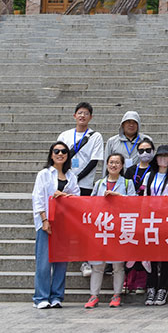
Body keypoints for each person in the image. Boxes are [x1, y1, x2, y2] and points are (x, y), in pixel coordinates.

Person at [58, 102, 103, 278]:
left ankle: (85, 260)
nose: (82, 116)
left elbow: (94, 161)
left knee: (85, 224)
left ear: (90, 117)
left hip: (85, 185)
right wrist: (67, 178)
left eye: (86, 113)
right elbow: (59, 157)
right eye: (79, 113)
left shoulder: (95, 136)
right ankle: (63, 255)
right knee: (65, 222)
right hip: (65, 184)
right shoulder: (65, 135)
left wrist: (77, 178)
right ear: (74, 115)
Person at [86, 153, 135, 309]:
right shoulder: (99, 183)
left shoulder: (127, 183)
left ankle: (116, 295)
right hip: (101, 228)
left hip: (119, 228)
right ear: (107, 164)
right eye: (111, 162)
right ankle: (94, 296)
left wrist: (118, 196)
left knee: (117, 265)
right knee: (97, 265)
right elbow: (90, 204)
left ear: (122, 166)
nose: (114, 165)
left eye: (117, 163)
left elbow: (134, 202)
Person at [32, 141, 78, 308]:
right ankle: (41, 297)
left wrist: (64, 196)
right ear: (51, 154)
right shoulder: (44, 174)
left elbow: (76, 198)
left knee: (61, 263)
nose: (60, 154)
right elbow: (37, 198)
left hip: (64, 224)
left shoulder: (72, 176)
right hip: (46, 223)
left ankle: (57, 296)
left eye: (64, 151)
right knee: (44, 263)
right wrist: (44, 220)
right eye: (57, 151)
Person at [141, 145, 168, 306]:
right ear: (156, 159)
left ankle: (163, 288)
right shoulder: (149, 175)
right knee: (151, 255)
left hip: (167, 219)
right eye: (160, 156)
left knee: (165, 256)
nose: (163, 159)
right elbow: (143, 196)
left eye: (166, 156)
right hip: (150, 219)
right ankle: (151, 287)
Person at [122, 136, 155, 295]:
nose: (145, 153)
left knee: (145, 248)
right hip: (131, 213)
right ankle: (129, 280)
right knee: (131, 246)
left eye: (148, 150)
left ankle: (143, 282)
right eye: (141, 150)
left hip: (149, 214)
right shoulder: (130, 170)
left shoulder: (155, 171)